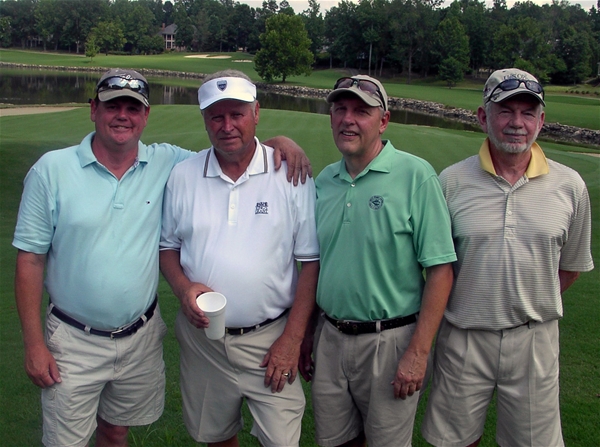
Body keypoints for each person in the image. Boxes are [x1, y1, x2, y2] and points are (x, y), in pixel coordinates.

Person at [12, 67, 311, 447]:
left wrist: (280, 143)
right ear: (93, 109)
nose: (123, 116)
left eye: (133, 108)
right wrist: (33, 344)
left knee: (116, 430)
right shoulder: (54, 171)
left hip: (141, 337)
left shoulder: (166, 163)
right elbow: (30, 260)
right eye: (112, 106)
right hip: (74, 338)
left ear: (146, 115)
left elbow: (235, 151)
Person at [421, 68, 594, 447]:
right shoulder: (450, 182)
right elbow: (437, 268)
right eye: (505, 111)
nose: (517, 123)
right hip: (463, 338)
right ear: (483, 116)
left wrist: (525, 303)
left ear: (541, 121)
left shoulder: (570, 186)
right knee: (453, 441)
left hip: (534, 341)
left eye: (528, 113)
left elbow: (570, 268)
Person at [159, 70, 320, 447]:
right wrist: (182, 288)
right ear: (204, 119)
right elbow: (168, 248)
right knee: (216, 437)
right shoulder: (182, 175)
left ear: (257, 113)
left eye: (237, 114)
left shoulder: (290, 173)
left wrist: (293, 338)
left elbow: (310, 263)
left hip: (271, 339)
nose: (227, 125)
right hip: (203, 343)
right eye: (216, 116)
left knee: (281, 441)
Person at [305, 75, 457, 447]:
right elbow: (318, 264)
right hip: (330, 337)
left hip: (390, 342)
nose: (348, 119)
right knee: (336, 441)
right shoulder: (325, 181)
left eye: (361, 111)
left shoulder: (416, 176)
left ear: (384, 121)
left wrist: (418, 353)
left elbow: (440, 271)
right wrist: (308, 333)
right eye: (340, 109)